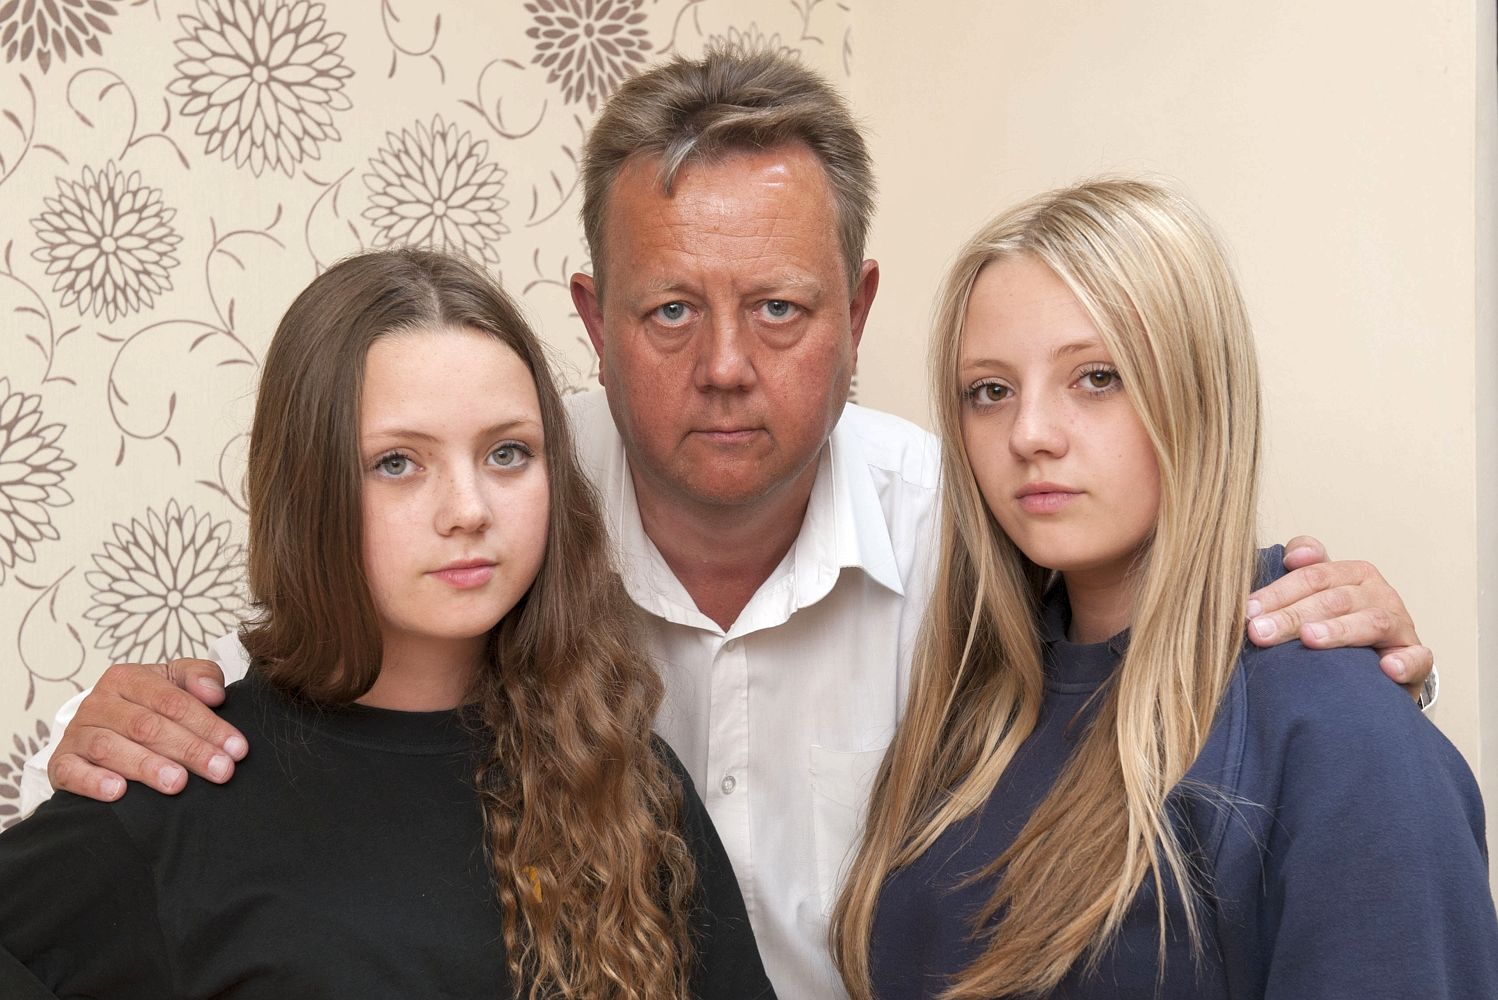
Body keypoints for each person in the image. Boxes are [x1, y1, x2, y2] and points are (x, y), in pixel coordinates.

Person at [20, 49, 1436, 999]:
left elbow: (1164, 626)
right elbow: (307, 705)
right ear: (590, 317)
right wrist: (132, 728)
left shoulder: (985, 531)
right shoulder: (507, 503)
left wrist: (1319, 643)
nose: (722, 367)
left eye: (778, 309)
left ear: (860, 312)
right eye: (668, 310)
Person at [0, 249, 774, 999]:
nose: (469, 510)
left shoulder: (631, 777)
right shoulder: (179, 791)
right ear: (310, 487)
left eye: (507, 453)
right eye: (398, 463)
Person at [831, 179, 1497, 999]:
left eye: (1097, 377)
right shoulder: (976, 704)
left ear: (1196, 392)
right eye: (990, 391)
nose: (1030, 434)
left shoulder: (1331, 727)